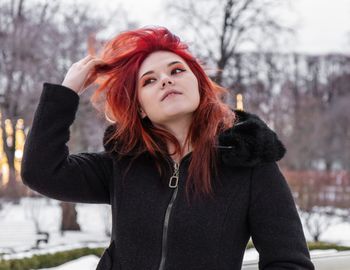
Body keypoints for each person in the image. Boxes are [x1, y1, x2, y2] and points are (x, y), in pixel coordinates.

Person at [20, 26, 315, 270]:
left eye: (176, 71)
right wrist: (65, 93)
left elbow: (289, 262)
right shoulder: (123, 164)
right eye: (149, 80)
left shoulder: (249, 164)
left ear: (199, 86)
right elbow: (41, 172)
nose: (165, 80)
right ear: (141, 108)